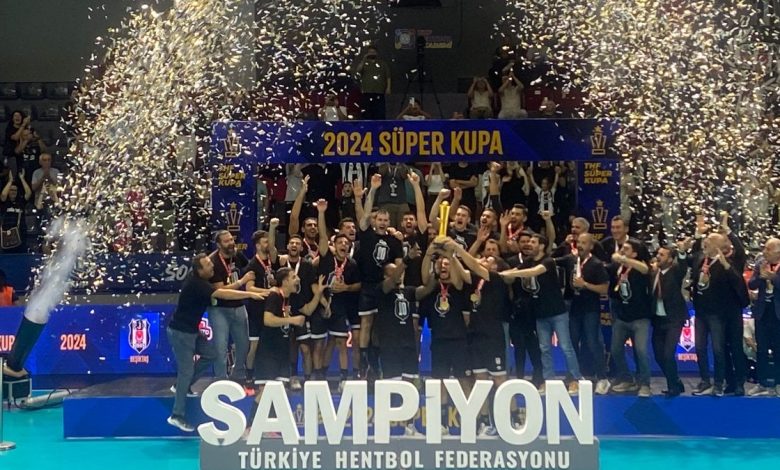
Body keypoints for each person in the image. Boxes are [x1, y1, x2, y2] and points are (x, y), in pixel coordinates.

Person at [167, 254, 265, 432]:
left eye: (211, 262)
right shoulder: (198, 284)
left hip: (192, 331)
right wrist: (250, 293)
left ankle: (182, 385)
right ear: (199, 270)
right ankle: (177, 415)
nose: (212, 266)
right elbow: (224, 294)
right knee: (185, 371)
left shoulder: (200, 279)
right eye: (207, 265)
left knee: (211, 354)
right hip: (181, 333)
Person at [500, 234, 582, 395]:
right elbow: (516, 270)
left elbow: (532, 272)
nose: (529, 244)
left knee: (566, 347)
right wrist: (501, 274)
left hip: (557, 313)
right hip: (540, 314)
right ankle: (548, 381)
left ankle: (576, 379)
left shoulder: (548, 261)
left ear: (542, 246)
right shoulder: (529, 260)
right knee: (544, 349)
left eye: (533, 242)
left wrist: (508, 274)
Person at [248, 267, 314, 434]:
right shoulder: (274, 296)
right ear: (285, 281)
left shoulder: (289, 298)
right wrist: (292, 320)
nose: (298, 279)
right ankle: (250, 427)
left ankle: (272, 427)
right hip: (268, 352)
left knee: (280, 391)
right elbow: (268, 320)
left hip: (282, 351)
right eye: (294, 277)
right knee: (266, 391)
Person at [686, 232, 749, 396]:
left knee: (719, 349)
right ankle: (705, 381)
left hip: (719, 313)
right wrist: (696, 237)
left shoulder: (728, 263)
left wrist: (726, 265)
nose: (705, 242)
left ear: (718, 246)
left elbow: (738, 280)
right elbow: (689, 259)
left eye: (710, 240)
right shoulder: (701, 259)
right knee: (700, 347)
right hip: (701, 312)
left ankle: (722, 383)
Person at [376, 256, 432, 436]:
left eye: (400, 272)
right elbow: (392, 281)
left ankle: (409, 425)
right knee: (391, 387)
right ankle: (386, 426)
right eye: (393, 272)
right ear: (385, 276)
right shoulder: (381, 290)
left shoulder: (408, 291)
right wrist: (406, 261)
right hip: (390, 346)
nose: (398, 275)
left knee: (409, 387)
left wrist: (436, 272)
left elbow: (427, 289)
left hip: (408, 345)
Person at [419, 241, 472, 434]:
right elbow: (425, 277)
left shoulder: (458, 287)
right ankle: (441, 422)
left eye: (447, 264)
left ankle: (470, 420)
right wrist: (428, 254)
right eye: (440, 264)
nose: (443, 266)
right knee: (439, 380)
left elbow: (458, 280)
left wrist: (451, 254)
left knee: (463, 379)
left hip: (459, 340)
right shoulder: (432, 287)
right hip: (439, 340)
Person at [355, 174, 404, 378]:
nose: (383, 222)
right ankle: (363, 362)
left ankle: (376, 364)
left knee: (379, 327)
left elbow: (400, 266)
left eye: (385, 220)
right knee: (366, 323)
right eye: (380, 219)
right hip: (367, 285)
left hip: (385, 287)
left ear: (390, 222)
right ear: (375, 221)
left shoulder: (395, 241)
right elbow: (365, 216)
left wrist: (400, 284)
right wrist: (373, 190)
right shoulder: (367, 234)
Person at [561, 233, 611, 395]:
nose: (580, 245)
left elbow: (604, 288)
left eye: (584, 243)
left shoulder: (596, 264)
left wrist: (585, 285)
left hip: (591, 309)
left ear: (591, 246)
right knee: (572, 343)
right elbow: (552, 260)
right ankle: (574, 377)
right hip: (574, 309)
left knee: (593, 343)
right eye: (578, 242)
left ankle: (602, 378)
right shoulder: (571, 260)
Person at [317, 207, 361, 388]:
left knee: (341, 342)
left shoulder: (352, 264)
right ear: (334, 245)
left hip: (341, 306)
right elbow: (322, 236)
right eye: (340, 242)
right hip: (322, 304)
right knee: (325, 343)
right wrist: (321, 213)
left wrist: (347, 288)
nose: (344, 245)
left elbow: (359, 285)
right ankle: (320, 375)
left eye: (346, 243)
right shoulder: (327, 258)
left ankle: (343, 378)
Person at [607, 240, 653, 397]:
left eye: (626, 249)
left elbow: (645, 269)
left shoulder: (640, 267)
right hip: (622, 317)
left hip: (640, 317)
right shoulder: (620, 267)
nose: (622, 250)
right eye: (622, 248)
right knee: (615, 349)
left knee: (640, 350)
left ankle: (645, 384)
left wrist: (624, 259)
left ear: (634, 253)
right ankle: (626, 378)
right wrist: (620, 259)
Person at [207, 231, 251, 382]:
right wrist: (241, 282)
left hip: (239, 306)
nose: (231, 243)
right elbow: (221, 290)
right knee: (220, 346)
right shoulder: (212, 262)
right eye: (226, 241)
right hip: (219, 309)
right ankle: (220, 378)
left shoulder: (237, 255)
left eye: (231, 239)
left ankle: (238, 373)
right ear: (218, 245)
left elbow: (251, 267)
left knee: (244, 344)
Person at [651, 244, 689, 397]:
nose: (658, 256)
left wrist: (682, 252)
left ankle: (673, 387)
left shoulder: (675, 272)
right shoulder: (654, 273)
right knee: (659, 356)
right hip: (658, 320)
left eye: (662, 255)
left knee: (668, 354)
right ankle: (676, 381)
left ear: (670, 260)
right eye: (658, 254)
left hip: (674, 319)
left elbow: (683, 266)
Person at [243, 223, 279, 385]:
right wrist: (268, 291)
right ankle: (249, 375)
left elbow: (273, 249)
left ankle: (270, 374)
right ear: (258, 246)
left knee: (270, 344)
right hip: (256, 311)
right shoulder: (252, 265)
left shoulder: (272, 260)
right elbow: (249, 288)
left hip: (271, 310)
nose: (269, 245)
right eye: (265, 242)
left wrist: (272, 229)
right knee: (254, 345)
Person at [746, 238, 780, 396]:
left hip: (777, 313)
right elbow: (751, 284)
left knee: (778, 350)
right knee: (761, 350)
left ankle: (778, 384)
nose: (764, 251)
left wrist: (773, 278)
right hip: (762, 313)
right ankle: (762, 383)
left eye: (768, 249)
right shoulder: (760, 263)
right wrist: (761, 276)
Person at [355, 45, 391, 119]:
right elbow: (358, 70)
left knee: (379, 112)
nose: (372, 53)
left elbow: (388, 76)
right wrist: (364, 59)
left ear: (377, 53)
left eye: (373, 52)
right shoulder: (365, 63)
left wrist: (388, 88)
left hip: (379, 91)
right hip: (367, 91)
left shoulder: (382, 63)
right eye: (370, 52)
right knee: (367, 112)